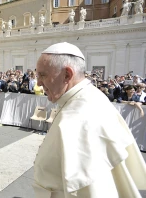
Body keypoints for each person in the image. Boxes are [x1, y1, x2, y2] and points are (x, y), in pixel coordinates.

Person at [33, 42, 146, 197]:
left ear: (67, 75)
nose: (38, 83)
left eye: (43, 75)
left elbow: (89, 189)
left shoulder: (80, 116)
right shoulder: (86, 96)